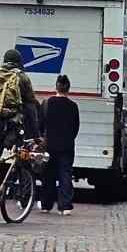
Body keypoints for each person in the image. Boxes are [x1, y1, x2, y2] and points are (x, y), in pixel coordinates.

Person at [39, 74, 79, 216]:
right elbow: (75, 128)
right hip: (67, 146)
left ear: (56, 86)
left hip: (50, 145)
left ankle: (46, 205)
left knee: (48, 176)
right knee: (65, 175)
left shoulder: (47, 103)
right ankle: (65, 206)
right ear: (68, 89)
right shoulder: (73, 106)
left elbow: (41, 124)